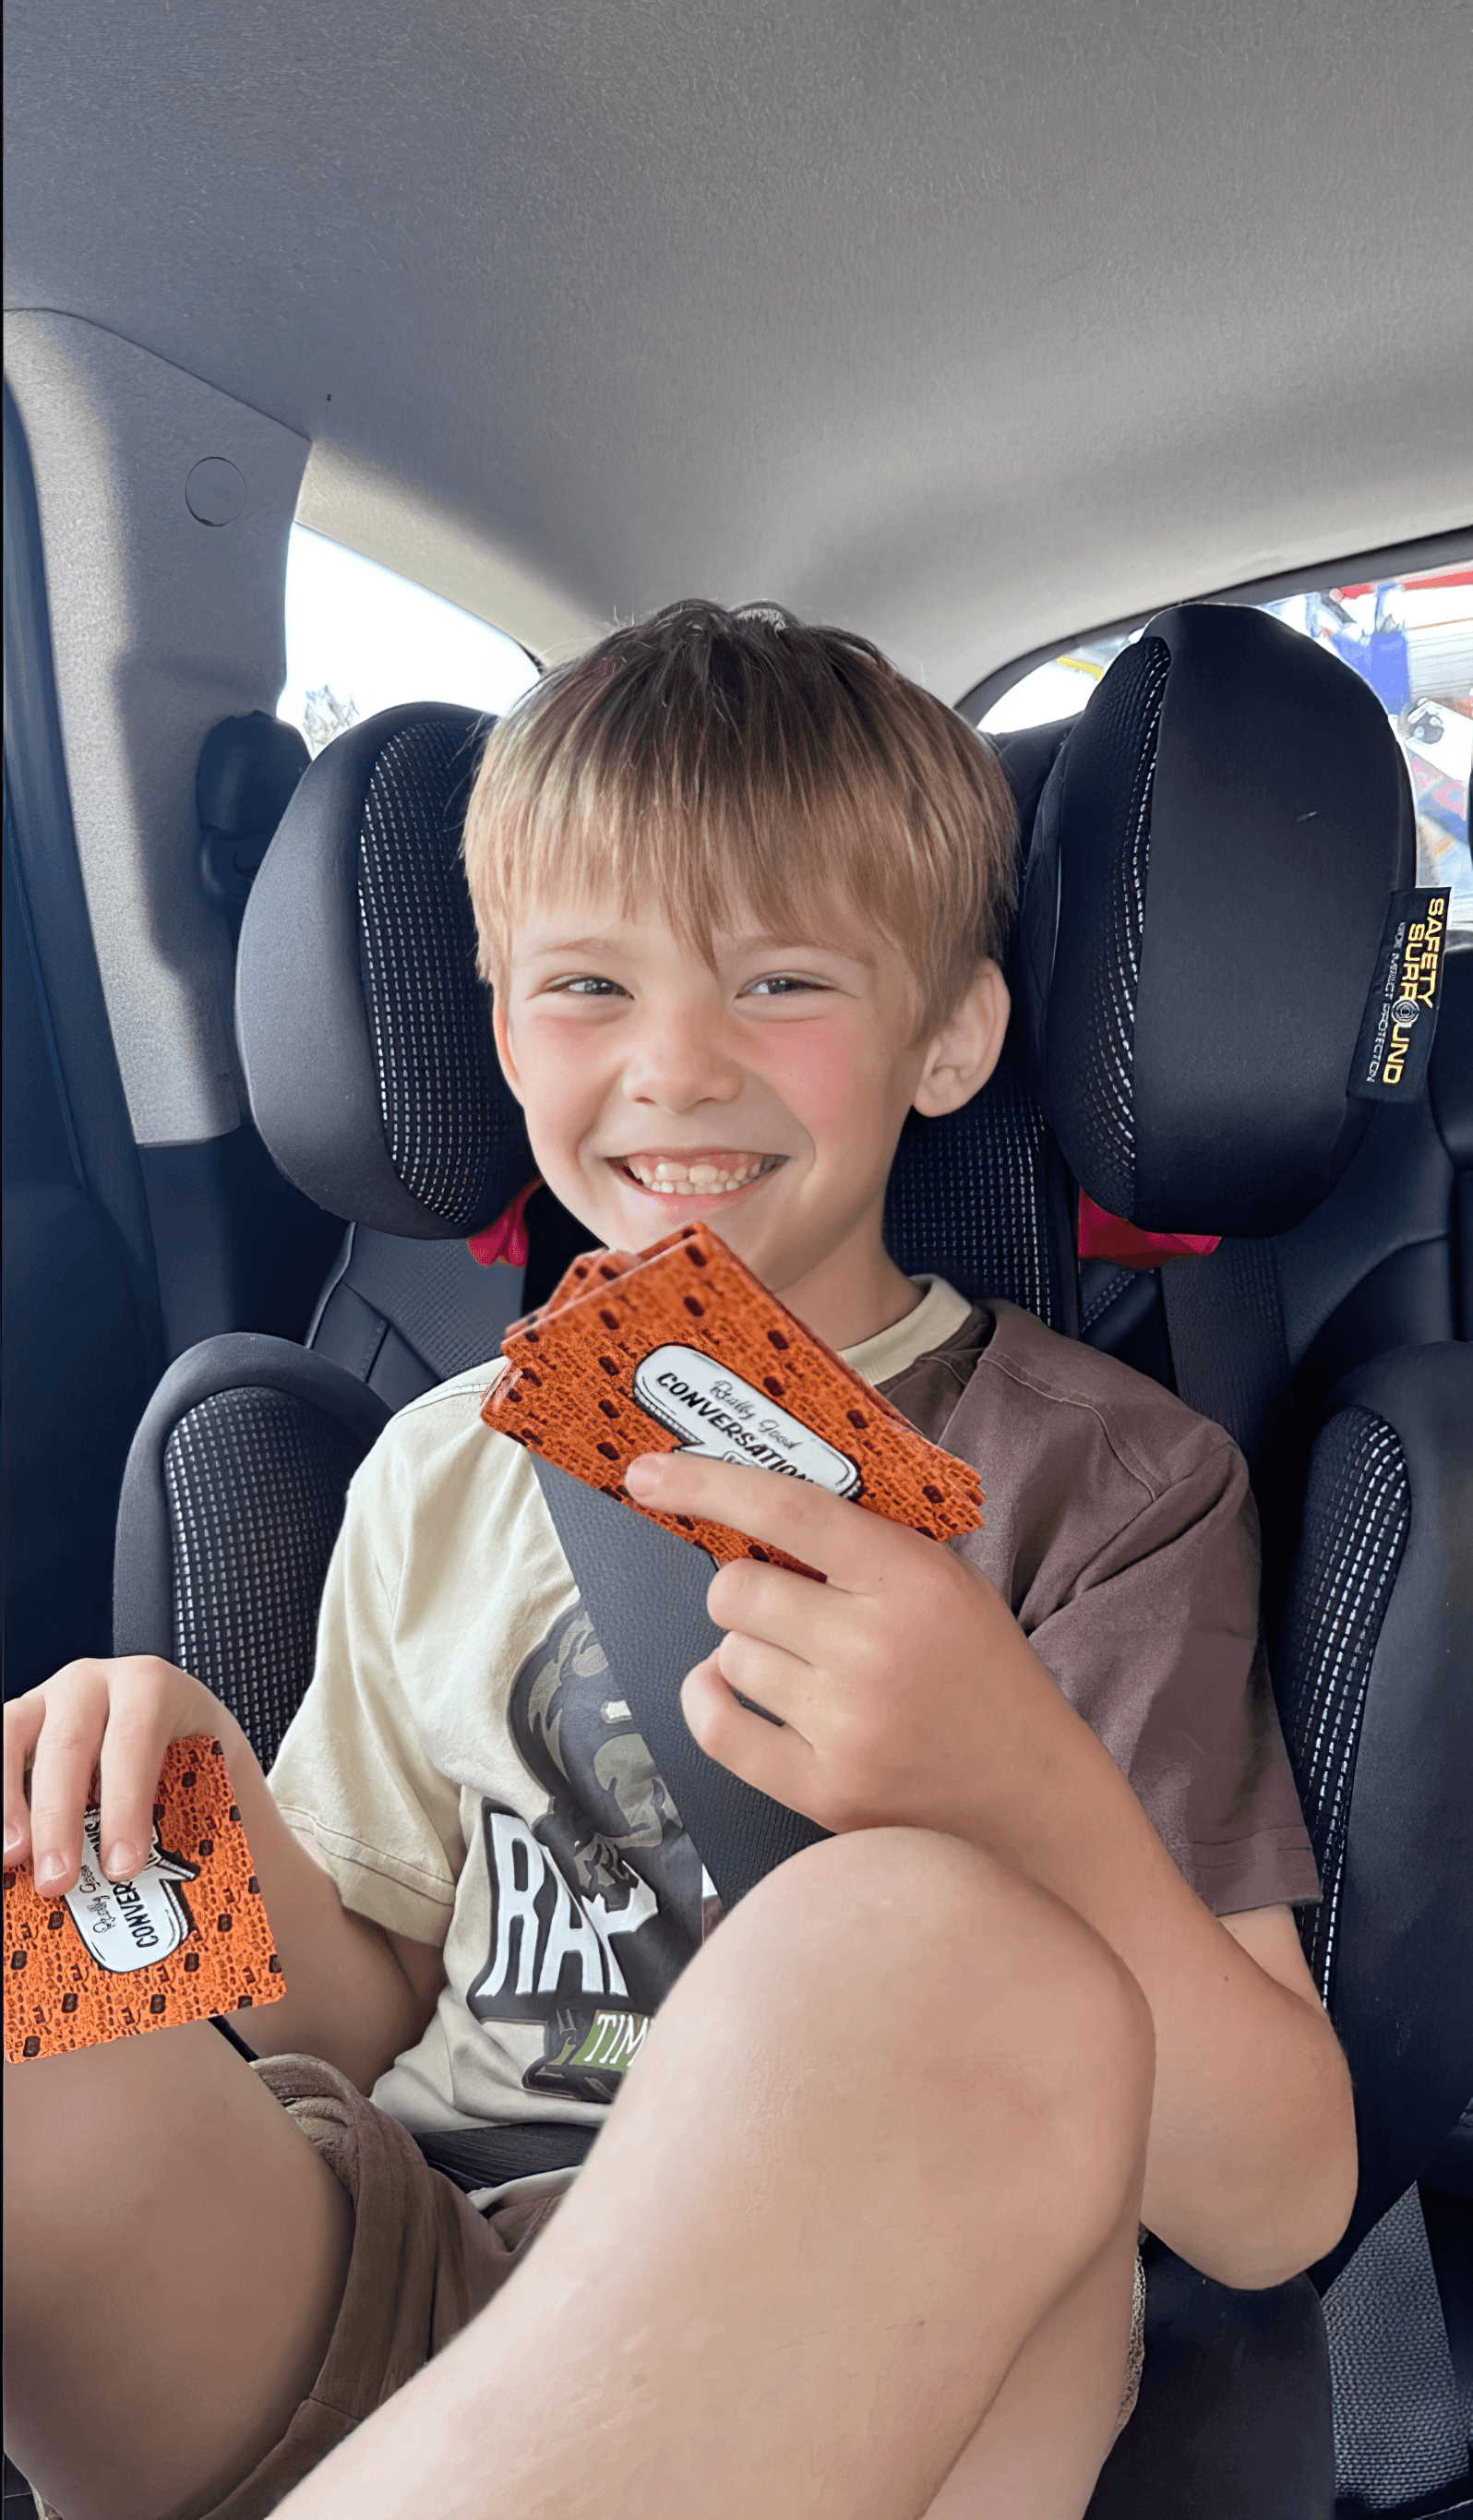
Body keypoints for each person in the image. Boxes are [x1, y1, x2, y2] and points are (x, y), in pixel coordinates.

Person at [3, 601, 1355, 2520]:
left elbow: (1278, 2196)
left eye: (784, 984)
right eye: (586, 989)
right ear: (495, 1024)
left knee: (922, 1948)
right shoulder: (433, 1471)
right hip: (414, 2264)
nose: (674, 1066)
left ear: (950, 1034)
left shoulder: (1107, 1487)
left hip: (889, 2334)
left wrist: (1009, 1782)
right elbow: (368, 2002)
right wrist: (174, 1813)